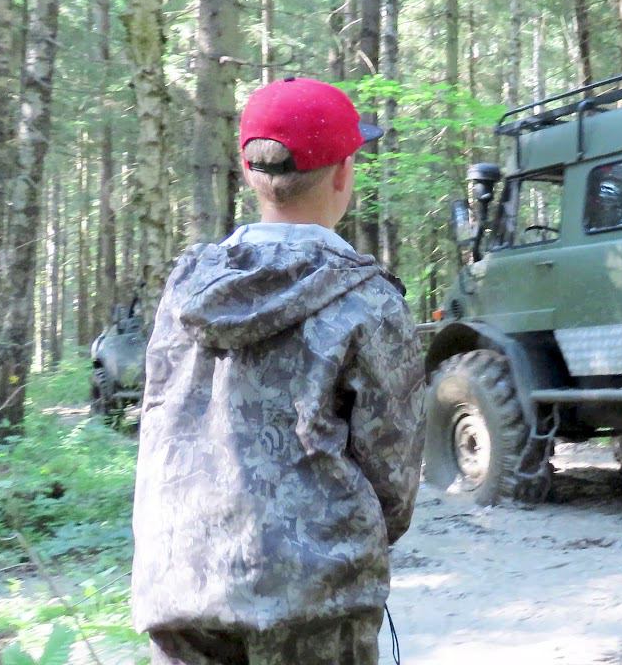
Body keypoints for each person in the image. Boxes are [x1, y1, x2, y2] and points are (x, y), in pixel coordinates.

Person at [131, 77, 424, 665]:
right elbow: (393, 476)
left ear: (249, 173)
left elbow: (159, 418)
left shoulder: (186, 287)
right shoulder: (368, 300)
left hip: (183, 584)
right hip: (314, 599)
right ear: (343, 174)